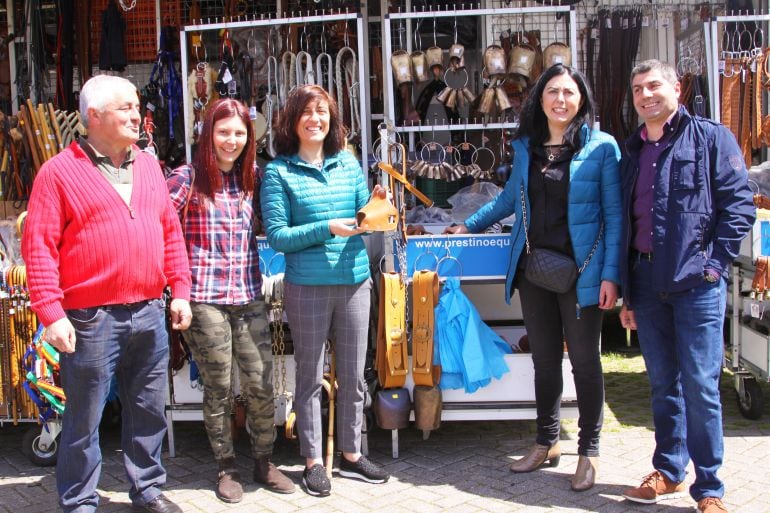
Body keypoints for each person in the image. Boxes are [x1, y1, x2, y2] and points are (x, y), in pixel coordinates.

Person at [444, 64, 622, 491]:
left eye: (570, 93)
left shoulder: (602, 147)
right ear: (540, 98)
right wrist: (467, 225)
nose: (561, 100)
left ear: (582, 100)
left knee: (584, 363)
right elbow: (509, 200)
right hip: (534, 270)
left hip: (583, 274)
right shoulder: (526, 146)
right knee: (543, 361)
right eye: (553, 92)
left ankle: (588, 452)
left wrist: (611, 276)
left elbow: (615, 217)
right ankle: (546, 442)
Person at [21, 75, 192, 513]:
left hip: (150, 310)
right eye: (125, 108)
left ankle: (148, 489)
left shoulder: (149, 166)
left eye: (137, 107)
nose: (137, 115)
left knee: (149, 410)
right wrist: (50, 313)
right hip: (89, 318)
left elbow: (169, 233)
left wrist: (180, 291)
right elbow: (38, 246)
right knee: (85, 417)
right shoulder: (58, 173)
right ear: (93, 116)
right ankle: (78, 499)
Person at [618, 60, 755, 513]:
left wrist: (714, 266)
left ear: (676, 87)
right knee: (661, 383)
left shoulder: (712, 138)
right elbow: (625, 220)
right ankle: (669, 470)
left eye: (654, 85)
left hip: (696, 284)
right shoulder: (632, 149)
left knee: (700, 384)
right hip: (645, 279)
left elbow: (739, 207)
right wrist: (626, 290)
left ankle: (710, 488)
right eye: (638, 89)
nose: (645, 95)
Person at [260, 84, 389, 497]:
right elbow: (278, 236)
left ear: (332, 118)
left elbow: (362, 217)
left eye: (323, 112)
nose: (316, 119)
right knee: (310, 378)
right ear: (292, 121)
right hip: (307, 286)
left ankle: (351, 453)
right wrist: (326, 228)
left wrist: (374, 206)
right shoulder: (279, 172)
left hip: (354, 282)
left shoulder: (348, 164)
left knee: (353, 375)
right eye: (307, 112)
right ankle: (313, 459)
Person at [166, 98, 295, 502]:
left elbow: (280, 217)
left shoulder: (253, 178)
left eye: (240, 133)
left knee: (260, 381)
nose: (231, 140)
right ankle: (225, 467)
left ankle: (263, 460)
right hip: (204, 299)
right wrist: (173, 288)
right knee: (219, 387)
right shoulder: (186, 178)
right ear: (208, 134)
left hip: (248, 295)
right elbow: (159, 230)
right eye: (223, 131)